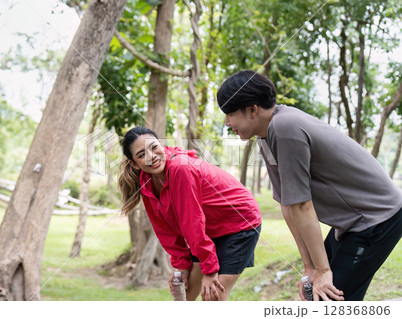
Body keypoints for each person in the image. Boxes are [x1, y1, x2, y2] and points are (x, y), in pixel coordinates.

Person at [216, 70, 402, 301]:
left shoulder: (285, 127)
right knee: (321, 296)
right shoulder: (266, 136)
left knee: (332, 301)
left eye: (230, 113)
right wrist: (310, 268)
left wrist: (323, 271)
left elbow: (302, 204)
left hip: (377, 216)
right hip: (353, 222)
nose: (227, 122)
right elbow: (288, 205)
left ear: (252, 110)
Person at [118, 126, 261, 301]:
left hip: (239, 221)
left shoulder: (180, 168)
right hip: (208, 227)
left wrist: (210, 270)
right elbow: (165, 229)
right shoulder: (146, 182)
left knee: (213, 296)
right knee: (184, 295)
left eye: (154, 147)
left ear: (161, 144)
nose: (152, 156)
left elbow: (191, 222)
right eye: (141, 155)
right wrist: (182, 266)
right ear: (133, 163)